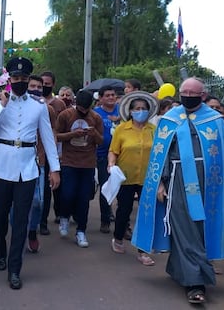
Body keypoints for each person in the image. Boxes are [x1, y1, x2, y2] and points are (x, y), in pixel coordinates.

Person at [133, 77, 224, 304]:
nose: (188, 96)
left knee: (200, 228)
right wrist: (159, 182)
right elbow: (160, 155)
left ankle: (181, 269)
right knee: (184, 226)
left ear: (202, 95)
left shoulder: (215, 120)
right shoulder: (169, 119)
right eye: (184, 92)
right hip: (177, 179)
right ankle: (196, 282)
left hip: (209, 183)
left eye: (193, 93)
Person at [0, 57, 60, 290]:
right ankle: (1, 252)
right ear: (9, 79)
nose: (19, 82)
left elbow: (47, 138)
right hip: (2, 165)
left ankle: (15, 269)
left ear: (28, 80)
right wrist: (2, 105)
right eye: (15, 78)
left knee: (21, 220)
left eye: (24, 78)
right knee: (1, 216)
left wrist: (55, 169)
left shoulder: (38, 106)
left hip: (27, 169)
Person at [107, 91, 157, 266]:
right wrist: (111, 165)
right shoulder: (122, 129)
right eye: (137, 108)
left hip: (148, 178)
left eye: (143, 108)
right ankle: (118, 237)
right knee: (124, 210)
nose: (140, 111)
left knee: (146, 214)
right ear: (131, 111)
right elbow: (113, 150)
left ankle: (143, 250)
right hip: (126, 177)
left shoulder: (154, 130)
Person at [55, 89, 102, 248]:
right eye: (80, 109)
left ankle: (81, 230)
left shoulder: (96, 118)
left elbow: (101, 141)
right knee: (67, 194)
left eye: (85, 109)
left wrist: (94, 133)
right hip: (69, 162)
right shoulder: (66, 115)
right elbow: (56, 135)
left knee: (84, 199)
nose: (82, 112)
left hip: (88, 164)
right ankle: (64, 217)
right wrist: (72, 134)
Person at [23, 74, 56, 252]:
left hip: (40, 161)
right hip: (18, 161)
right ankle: (20, 230)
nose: (36, 89)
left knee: (38, 201)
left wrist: (54, 164)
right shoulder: (15, 106)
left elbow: (52, 134)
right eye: (32, 86)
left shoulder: (46, 109)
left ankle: (32, 230)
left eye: (39, 87)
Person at [38, 71, 66, 236]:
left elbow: (59, 131)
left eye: (48, 83)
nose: (44, 86)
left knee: (47, 190)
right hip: (32, 151)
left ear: (53, 85)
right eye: (42, 83)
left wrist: (58, 152)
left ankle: (42, 222)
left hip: (49, 151)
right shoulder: (33, 102)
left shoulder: (58, 105)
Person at [93, 85, 120, 233]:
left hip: (122, 155)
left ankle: (123, 223)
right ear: (101, 98)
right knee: (105, 187)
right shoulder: (96, 114)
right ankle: (105, 219)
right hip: (103, 155)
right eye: (107, 95)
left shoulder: (122, 111)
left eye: (113, 95)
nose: (111, 97)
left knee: (122, 190)